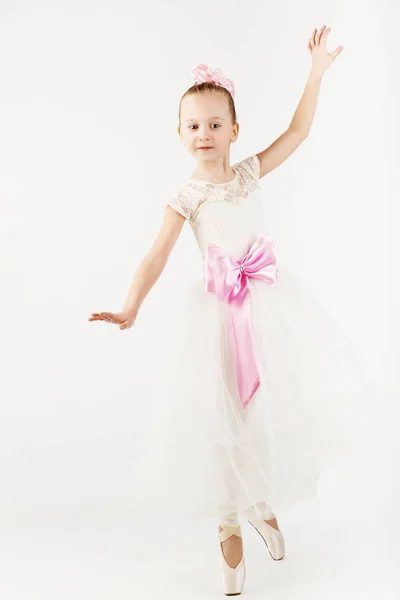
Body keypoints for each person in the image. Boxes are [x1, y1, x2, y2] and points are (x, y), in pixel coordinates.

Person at [89, 26, 376, 596]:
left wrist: (315, 73)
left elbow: (297, 132)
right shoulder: (186, 196)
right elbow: (157, 254)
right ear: (179, 133)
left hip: (267, 311)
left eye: (216, 124)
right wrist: (130, 306)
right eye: (193, 125)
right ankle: (228, 521)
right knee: (219, 419)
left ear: (234, 130)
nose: (205, 134)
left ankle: (261, 502)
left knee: (265, 415)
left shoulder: (246, 172)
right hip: (217, 321)